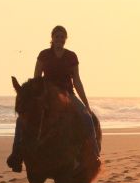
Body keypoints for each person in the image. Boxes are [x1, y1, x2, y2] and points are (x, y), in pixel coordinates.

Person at [6, 25, 100, 173]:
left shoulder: (71, 56)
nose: (59, 39)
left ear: (65, 39)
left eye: (62, 37)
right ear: (52, 38)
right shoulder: (44, 55)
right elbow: (37, 78)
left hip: (67, 94)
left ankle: (94, 155)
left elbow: (76, 80)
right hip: (47, 95)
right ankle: (16, 156)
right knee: (21, 120)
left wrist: (86, 103)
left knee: (86, 117)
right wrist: (34, 97)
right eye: (57, 37)